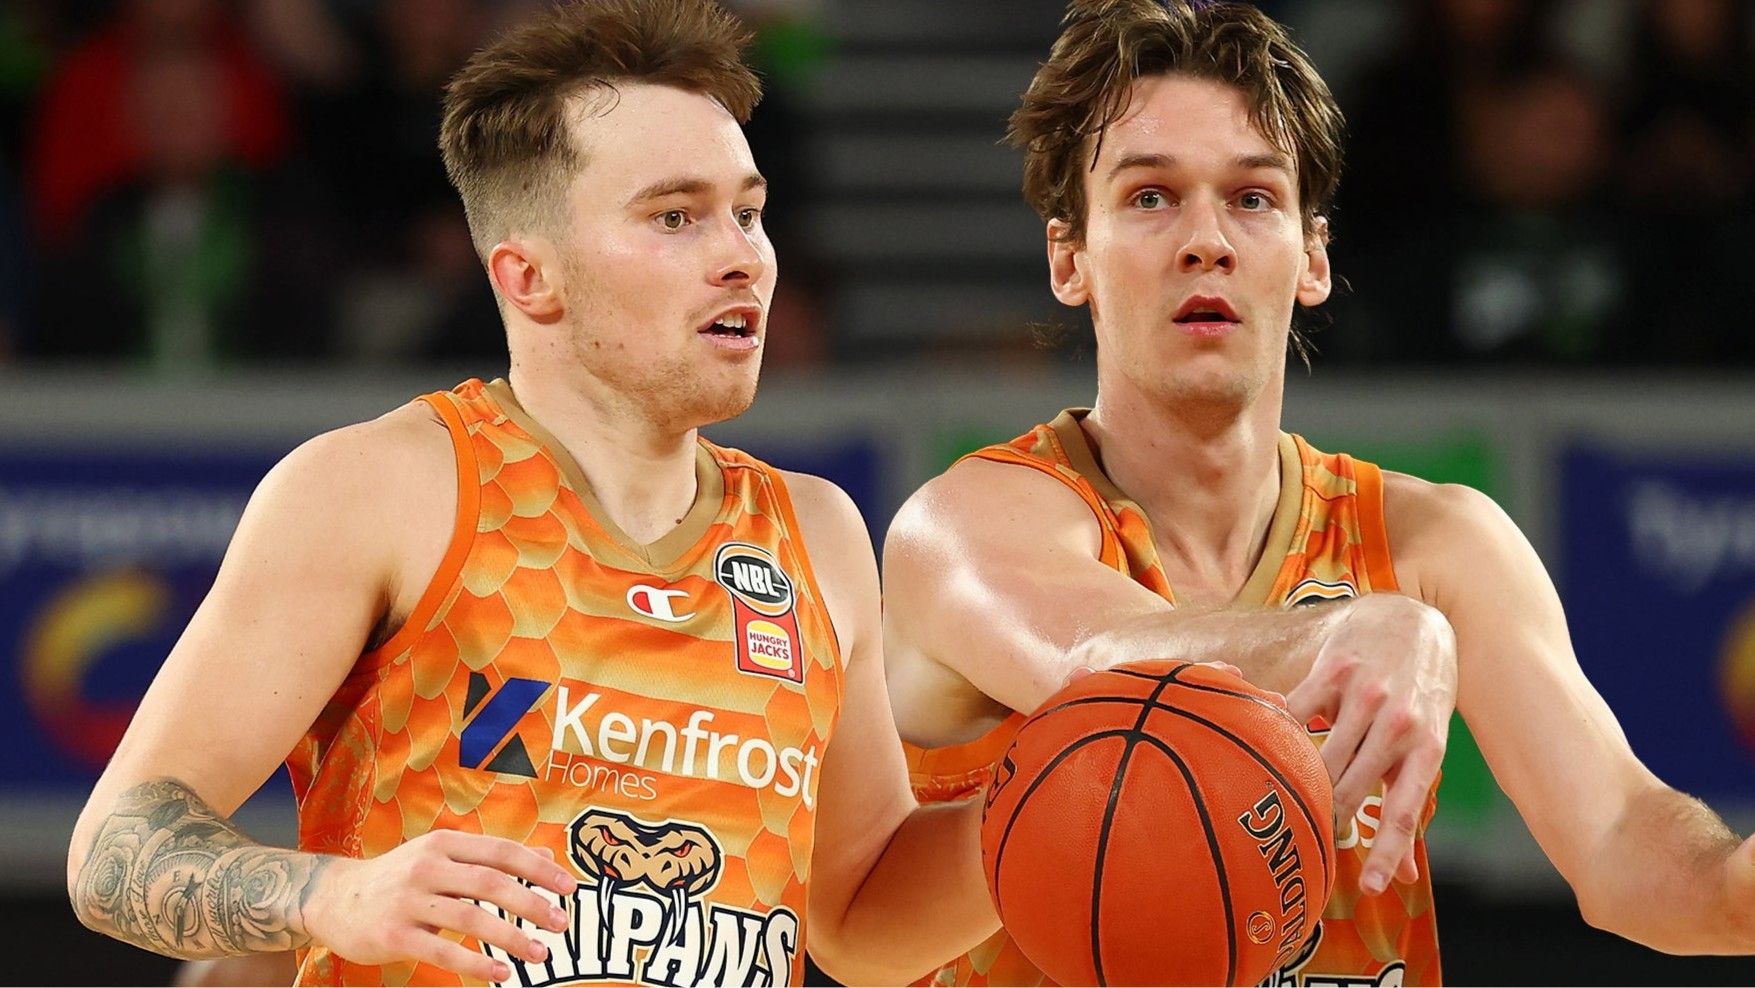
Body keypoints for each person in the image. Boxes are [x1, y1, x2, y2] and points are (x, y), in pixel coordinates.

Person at [64, 2, 998, 985]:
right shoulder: (382, 489)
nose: (742, 256)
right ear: (528, 276)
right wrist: (333, 895)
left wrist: (1054, 797)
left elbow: (859, 923)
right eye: (675, 217)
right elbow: (117, 848)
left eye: (748, 212)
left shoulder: (818, 533)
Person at [881, 2, 1755, 985]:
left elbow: (1626, 846)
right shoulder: (964, 524)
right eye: (1150, 196)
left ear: (1315, 257)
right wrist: (1346, 632)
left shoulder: (1437, 542)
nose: (1206, 240)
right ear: (1068, 258)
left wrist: (1735, 884)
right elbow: (1096, 660)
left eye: (1252, 198)